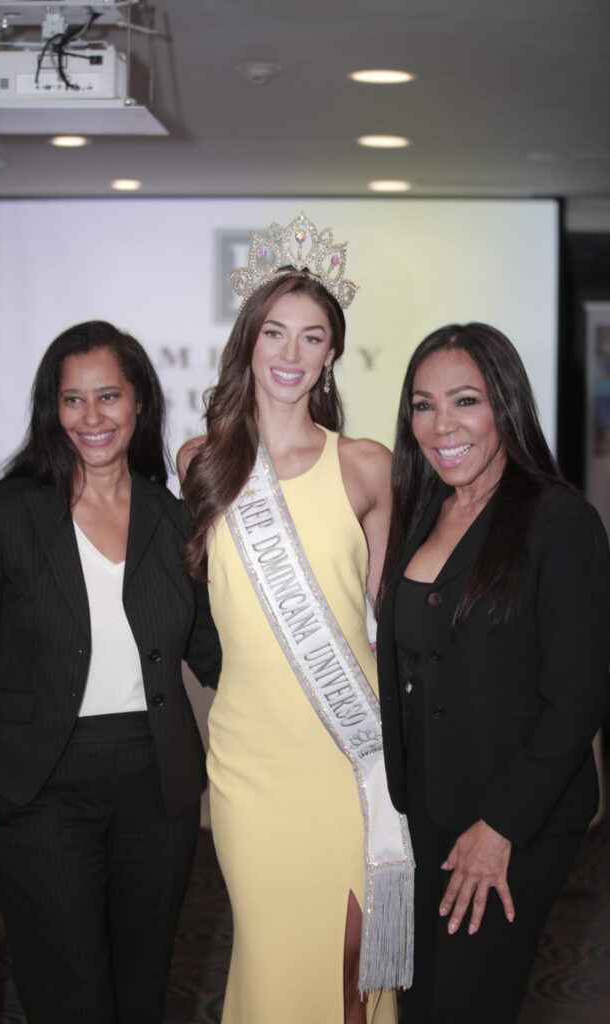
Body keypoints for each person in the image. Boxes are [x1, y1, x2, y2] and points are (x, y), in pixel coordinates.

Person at [0, 320, 221, 1024]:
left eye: (109, 396)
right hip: (38, 783)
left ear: (140, 402)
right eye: (72, 400)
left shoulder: (175, 519)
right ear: (51, 410)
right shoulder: (9, 513)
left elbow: (214, 655)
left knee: (140, 984)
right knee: (69, 993)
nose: (91, 418)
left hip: (157, 782)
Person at [178, 214, 413, 1024]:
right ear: (249, 340)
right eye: (274, 332)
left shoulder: (366, 466)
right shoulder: (200, 462)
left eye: (311, 338)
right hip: (250, 767)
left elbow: (392, 621)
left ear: (331, 354)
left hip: (349, 757)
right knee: (277, 960)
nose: (289, 354)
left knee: (354, 964)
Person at [375, 322, 610, 1023]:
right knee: (417, 1005)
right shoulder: (422, 511)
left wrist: (499, 827)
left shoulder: (558, 522)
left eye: (463, 401)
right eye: (422, 405)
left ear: (503, 405)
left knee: (468, 1006)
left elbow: (576, 699)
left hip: (510, 820)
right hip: (420, 811)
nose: (440, 424)